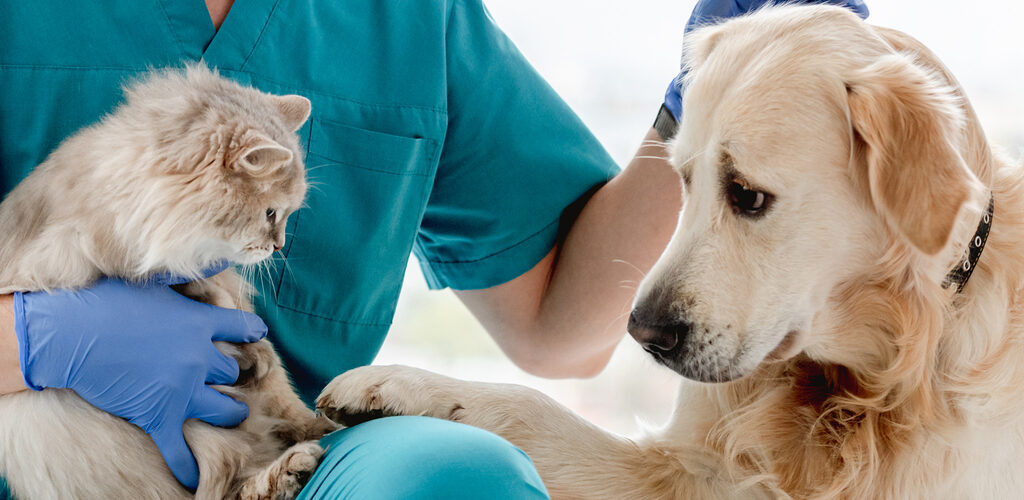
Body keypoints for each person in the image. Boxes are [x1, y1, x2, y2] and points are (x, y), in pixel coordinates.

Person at [0, 0, 867, 497]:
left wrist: (695, 107)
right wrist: (36, 344)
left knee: (454, 476)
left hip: (287, 461)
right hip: (35, 461)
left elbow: (561, 325)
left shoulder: (409, 18)